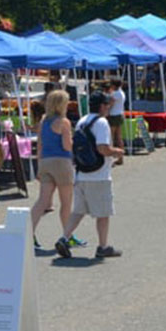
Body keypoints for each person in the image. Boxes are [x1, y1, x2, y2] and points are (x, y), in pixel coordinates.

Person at [53, 90, 125, 260]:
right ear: (102, 106)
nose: (108, 107)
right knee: (103, 213)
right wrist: (117, 152)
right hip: (98, 175)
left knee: (78, 210)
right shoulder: (101, 123)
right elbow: (102, 148)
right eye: (107, 104)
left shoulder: (82, 121)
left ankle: (64, 238)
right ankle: (103, 246)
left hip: (82, 173)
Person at [30, 89, 74, 251]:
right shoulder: (64, 122)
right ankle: (66, 235)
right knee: (66, 202)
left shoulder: (43, 121)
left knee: (42, 201)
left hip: (45, 161)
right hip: (61, 161)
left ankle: (29, 232)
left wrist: (39, 164)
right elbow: (66, 145)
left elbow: (40, 144)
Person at [107, 79, 126, 162]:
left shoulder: (114, 94)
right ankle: (120, 157)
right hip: (120, 114)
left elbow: (110, 104)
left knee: (111, 137)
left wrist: (106, 113)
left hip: (113, 116)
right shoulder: (122, 93)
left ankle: (110, 157)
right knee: (119, 137)